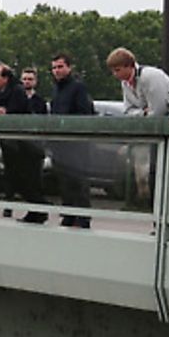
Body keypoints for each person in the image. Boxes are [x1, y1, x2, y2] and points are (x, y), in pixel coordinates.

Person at [0, 62, 48, 223]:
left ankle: (40, 211)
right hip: (12, 146)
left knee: (28, 181)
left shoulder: (17, 92)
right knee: (17, 180)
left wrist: (5, 113)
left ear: (5, 78)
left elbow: (18, 114)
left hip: (25, 147)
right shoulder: (0, 93)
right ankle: (35, 211)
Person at [47, 53, 96, 228]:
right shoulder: (56, 89)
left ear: (69, 67)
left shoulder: (78, 88)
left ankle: (83, 218)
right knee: (64, 182)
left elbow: (85, 114)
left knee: (79, 182)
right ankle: (68, 215)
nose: (57, 71)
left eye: (60, 67)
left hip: (76, 145)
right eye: (54, 67)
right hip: (60, 144)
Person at [107, 46, 169, 118]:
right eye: (112, 71)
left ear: (129, 66)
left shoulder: (150, 75)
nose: (115, 74)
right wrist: (143, 113)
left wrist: (141, 113)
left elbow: (159, 111)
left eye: (117, 70)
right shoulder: (125, 83)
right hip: (157, 125)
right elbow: (128, 111)